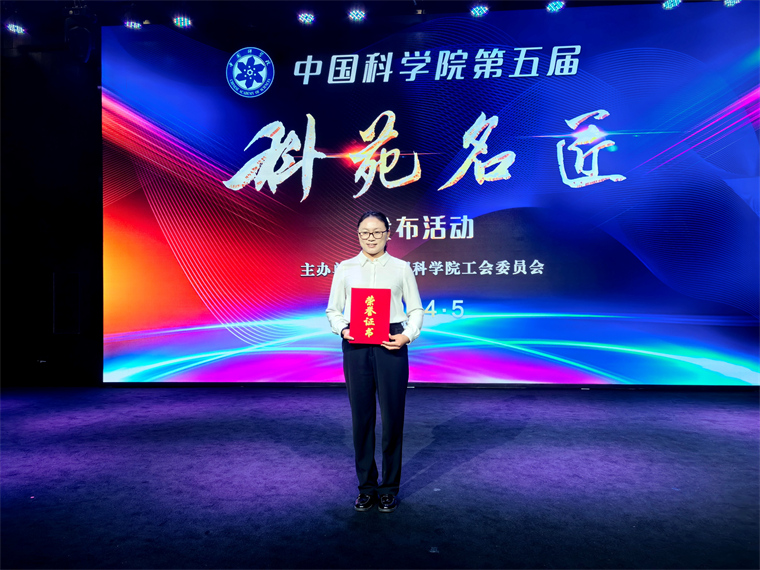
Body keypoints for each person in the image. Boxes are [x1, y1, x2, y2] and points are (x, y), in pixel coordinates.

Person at [326, 211, 424, 513]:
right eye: (365, 233)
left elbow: (416, 309)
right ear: (358, 235)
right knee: (362, 418)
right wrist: (344, 330)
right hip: (356, 344)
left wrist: (406, 336)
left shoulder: (401, 268)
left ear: (388, 234)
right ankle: (367, 487)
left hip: (391, 343)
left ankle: (389, 488)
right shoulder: (345, 268)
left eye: (377, 232)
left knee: (393, 417)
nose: (371, 238)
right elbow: (333, 310)